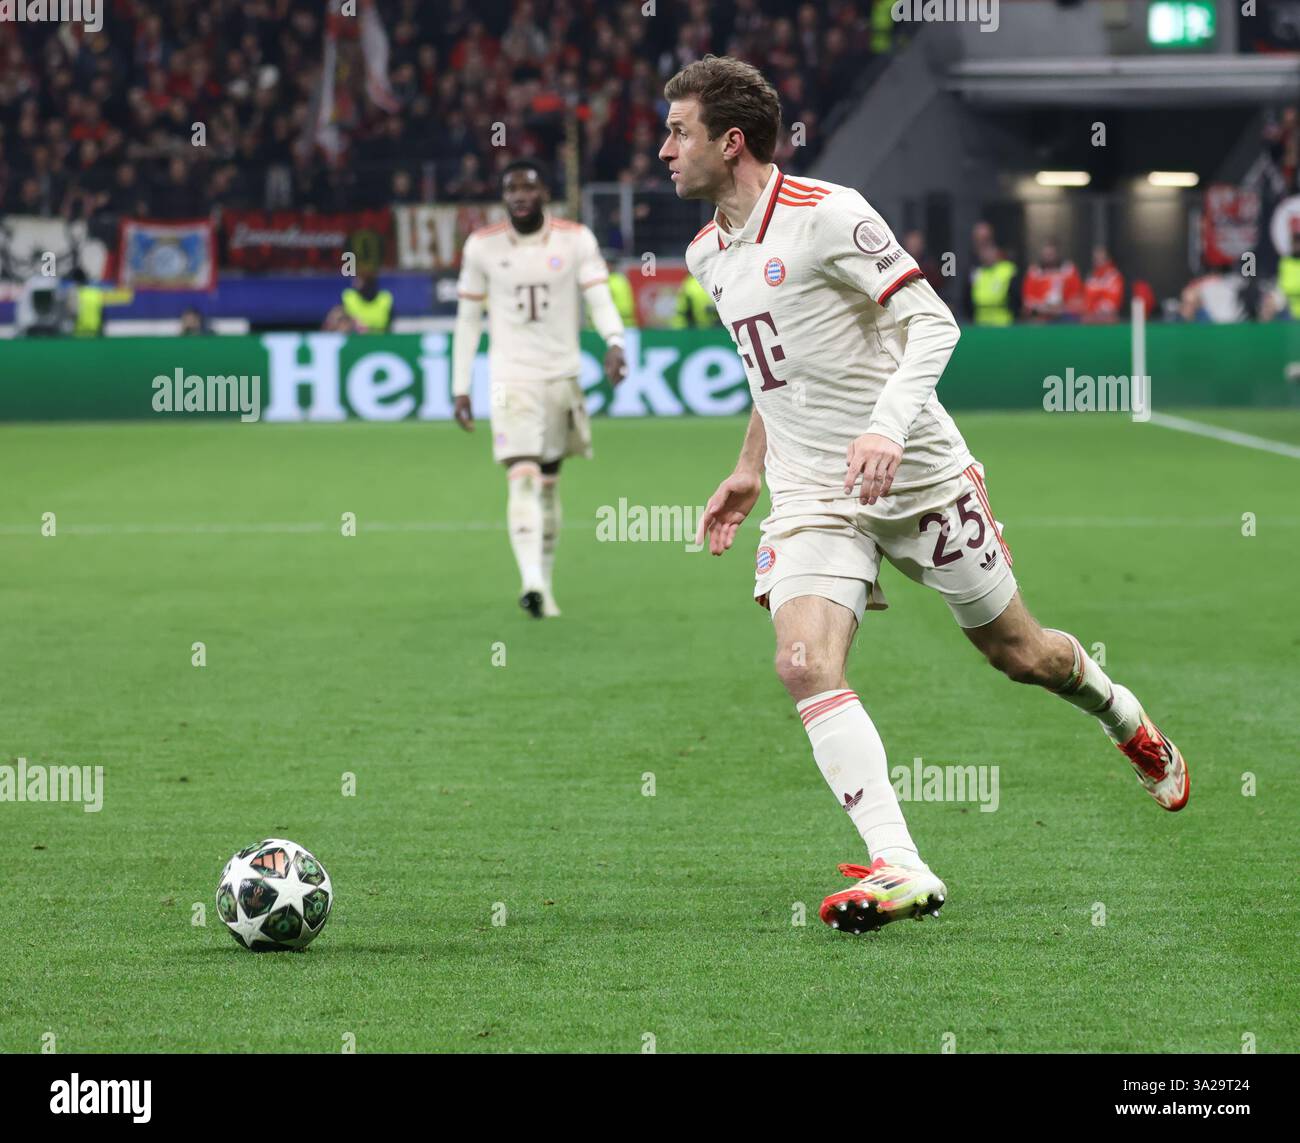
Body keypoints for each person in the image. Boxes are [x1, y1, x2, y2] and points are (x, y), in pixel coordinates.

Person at [660, 54, 1190, 935]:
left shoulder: (829, 215)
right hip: (813, 494)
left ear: (732, 140)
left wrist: (889, 426)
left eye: (678, 131)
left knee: (1021, 654)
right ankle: (901, 862)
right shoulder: (705, 252)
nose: (664, 149)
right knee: (802, 663)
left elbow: (931, 322)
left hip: (916, 474)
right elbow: (774, 374)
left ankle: (1123, 715)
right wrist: (750, 466)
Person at [452, 159, 628, 618]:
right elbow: (468, 320)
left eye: (528, 187)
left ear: (543, 192)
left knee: (549, 484)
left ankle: (544, 587)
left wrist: (614, 341)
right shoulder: (482, 247)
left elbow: (599, 298)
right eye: (511, 188)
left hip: (561, 377)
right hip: (510, 379)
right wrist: (460, 384)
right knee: (523, 476)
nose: (520, 195)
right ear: (503, 196)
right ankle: (529, 580)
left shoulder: (575, 239)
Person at [1022, 240, 1083, 322]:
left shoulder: (1069, 271)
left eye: (1051, 254)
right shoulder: (1034, 272)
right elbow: (1028, 299)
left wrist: (1062, 307)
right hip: (1040, 317)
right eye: (1047, 254)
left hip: (1064, 316)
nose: (1049, 257)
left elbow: (1076, 296)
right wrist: (1043, 307)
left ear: (1057, 254)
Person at [1082, 246, 1124, 324]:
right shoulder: (1091, 277)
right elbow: (1087, 299)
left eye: (1101, 258)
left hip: (1108, 317)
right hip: (1091, 317)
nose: (1098, 261)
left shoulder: (1114, 275)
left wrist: (1098, 310)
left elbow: (1113, 301)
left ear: (1108, 259)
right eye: (1096, 259)